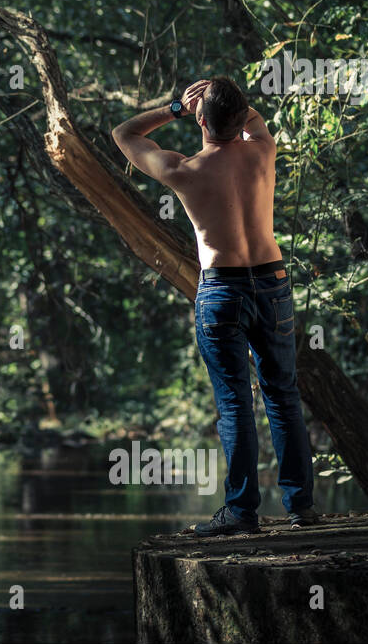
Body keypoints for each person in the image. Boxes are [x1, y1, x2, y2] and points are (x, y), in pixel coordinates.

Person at [110, 77, 317, 535]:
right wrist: (226, 105)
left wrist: (175, 108)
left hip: (223, 290)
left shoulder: (184, 169)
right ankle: (301, 506)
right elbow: (253, 119)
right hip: (273, 280)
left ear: (201, 119)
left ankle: (242, 512)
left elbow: (124, 134)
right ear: (243, 119)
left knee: (235, 403)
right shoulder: (263, 150)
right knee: (283, 395)